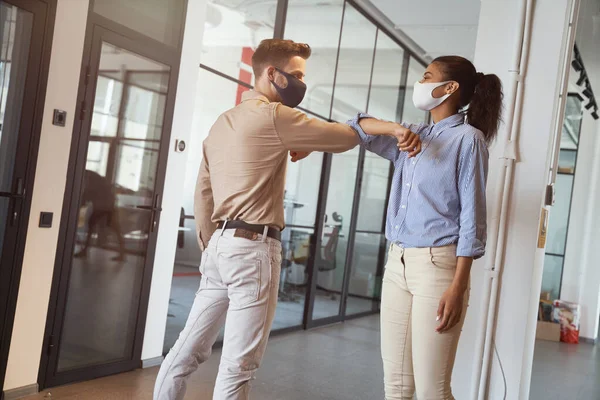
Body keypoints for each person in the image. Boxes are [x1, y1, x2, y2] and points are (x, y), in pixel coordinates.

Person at [153, 39, 420, 400]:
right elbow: (344, 137)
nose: (301, 83)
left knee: (186, 350)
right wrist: (389, 128)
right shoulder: (276, 116)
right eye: (296, 75)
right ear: (271, 74)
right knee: (238, 366)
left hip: (219, 248)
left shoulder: (223, 122)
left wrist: (211, 246)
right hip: (254, 250)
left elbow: (204, 191)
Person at [347, 56, 503, 399]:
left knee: (433, 390)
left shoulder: (468, 140)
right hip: (397, 263)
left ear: (449, 88)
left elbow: (472, 220)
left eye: (427, 76)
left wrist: (458, 287)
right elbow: (356, 125)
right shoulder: (412, 136)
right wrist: (395, 129)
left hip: (439, 269)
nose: (421, 83)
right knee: (397, 387)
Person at [74, 169, 126, 262]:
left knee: (114, 229)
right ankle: (122, 254)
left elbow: (88, 194)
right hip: (105, 207)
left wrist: (81, 203)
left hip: (104, 207)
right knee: (114, 230)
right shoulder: (96, 179)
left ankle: (85, 250)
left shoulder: (92, 180)